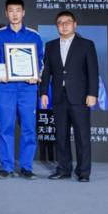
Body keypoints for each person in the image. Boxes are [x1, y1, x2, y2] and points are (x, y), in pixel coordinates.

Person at [0, 0, 44, 179]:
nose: (14, 14)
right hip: (5, 87)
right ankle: (7, 167)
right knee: (6, 127)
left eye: (18, 10)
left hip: (27, 88)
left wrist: (36, 75)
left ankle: (26, 166)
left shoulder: (34, 36)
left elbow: (41, 61)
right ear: (6, 13)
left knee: (28, 127)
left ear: (23, 12)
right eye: (11, 10)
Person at [40, 11, 99, 182]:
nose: (64, 25)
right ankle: (63, 169)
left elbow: (93, 71)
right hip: (59, 97)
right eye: (60, 22)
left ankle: (83, 172)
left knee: (82, 136)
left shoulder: (86, 45)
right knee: (61, 136)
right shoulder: (50, 46)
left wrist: (92, 93)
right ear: (56, 26)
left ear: (75, 24)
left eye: (68, 22)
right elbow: (47, 72)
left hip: (80, 97)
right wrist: (43, 92)